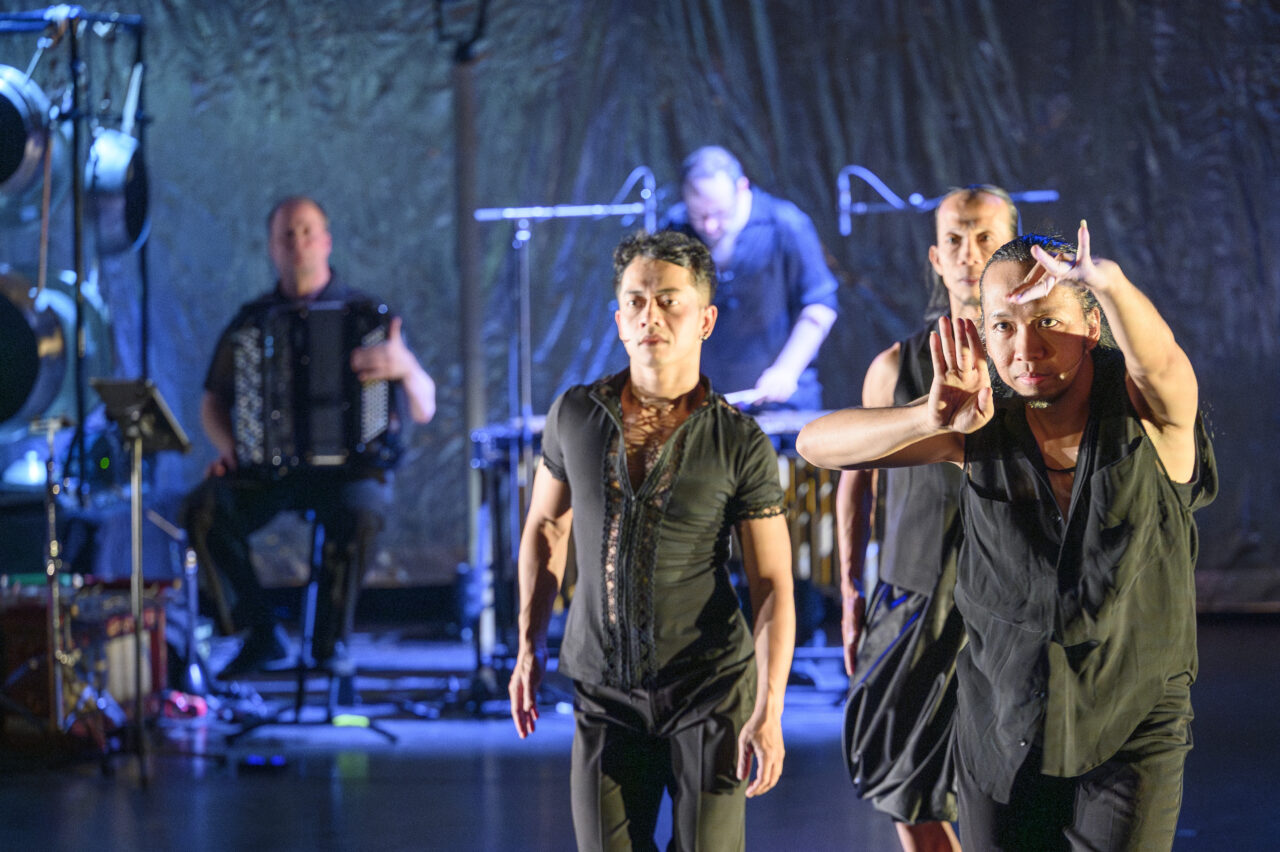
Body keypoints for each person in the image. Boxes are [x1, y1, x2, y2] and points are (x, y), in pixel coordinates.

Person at [797, 222, 1216, 850]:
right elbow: (816, 445)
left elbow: (1161, 362)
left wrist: (1105, 281)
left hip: (1132, 720)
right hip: (1003, 720)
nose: (1026, 347)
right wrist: (927, 416)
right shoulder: (980, 420)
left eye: (1048, 322)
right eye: (1003, 326)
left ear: (1092, 327)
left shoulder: (1150, 415)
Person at [508, 230, 796, 850]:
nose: (651, 316)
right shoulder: (574, 415)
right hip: (603, 688)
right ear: (619, 320)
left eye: (669, 301)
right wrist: (528, 646)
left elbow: (773, 584)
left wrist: (769, 708)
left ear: (705, 320)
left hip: (709, 689)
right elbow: (546, 527)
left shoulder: (738, 441)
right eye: (636, 302)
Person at [834, 186, 1018, 852]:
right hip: (911, 597)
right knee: (900, 778)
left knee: (1011, 788)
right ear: (936, 259)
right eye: (954, 241)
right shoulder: (894, 367)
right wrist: (850, 590)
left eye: (985, 238)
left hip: (1011, 605)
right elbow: (855, 481)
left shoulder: (1041, 365)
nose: (970, 254)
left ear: (1013, 248)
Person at [185, 196, 436, 678]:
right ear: (272, 248)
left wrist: (405, 367)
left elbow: (425, 407)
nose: (297, 242)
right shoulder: (252, 321)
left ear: (326, 242)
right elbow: (212, 400)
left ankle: (329, 643)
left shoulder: (367, 316)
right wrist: (230, 448)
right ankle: (259, 633)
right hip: (272, 468)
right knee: (203, 510)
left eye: (306, 231)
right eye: (287, 234)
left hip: (350, 467)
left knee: (363, 510)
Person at [662, 146, 838, 409]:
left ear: (742, 188)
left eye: (720, 213)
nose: (710, 226)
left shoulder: (785, 225)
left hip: (782, 401)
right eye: (699, 215)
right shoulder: (675, 230)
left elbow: (820, 306)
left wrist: (786, 370)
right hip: (706, 402)